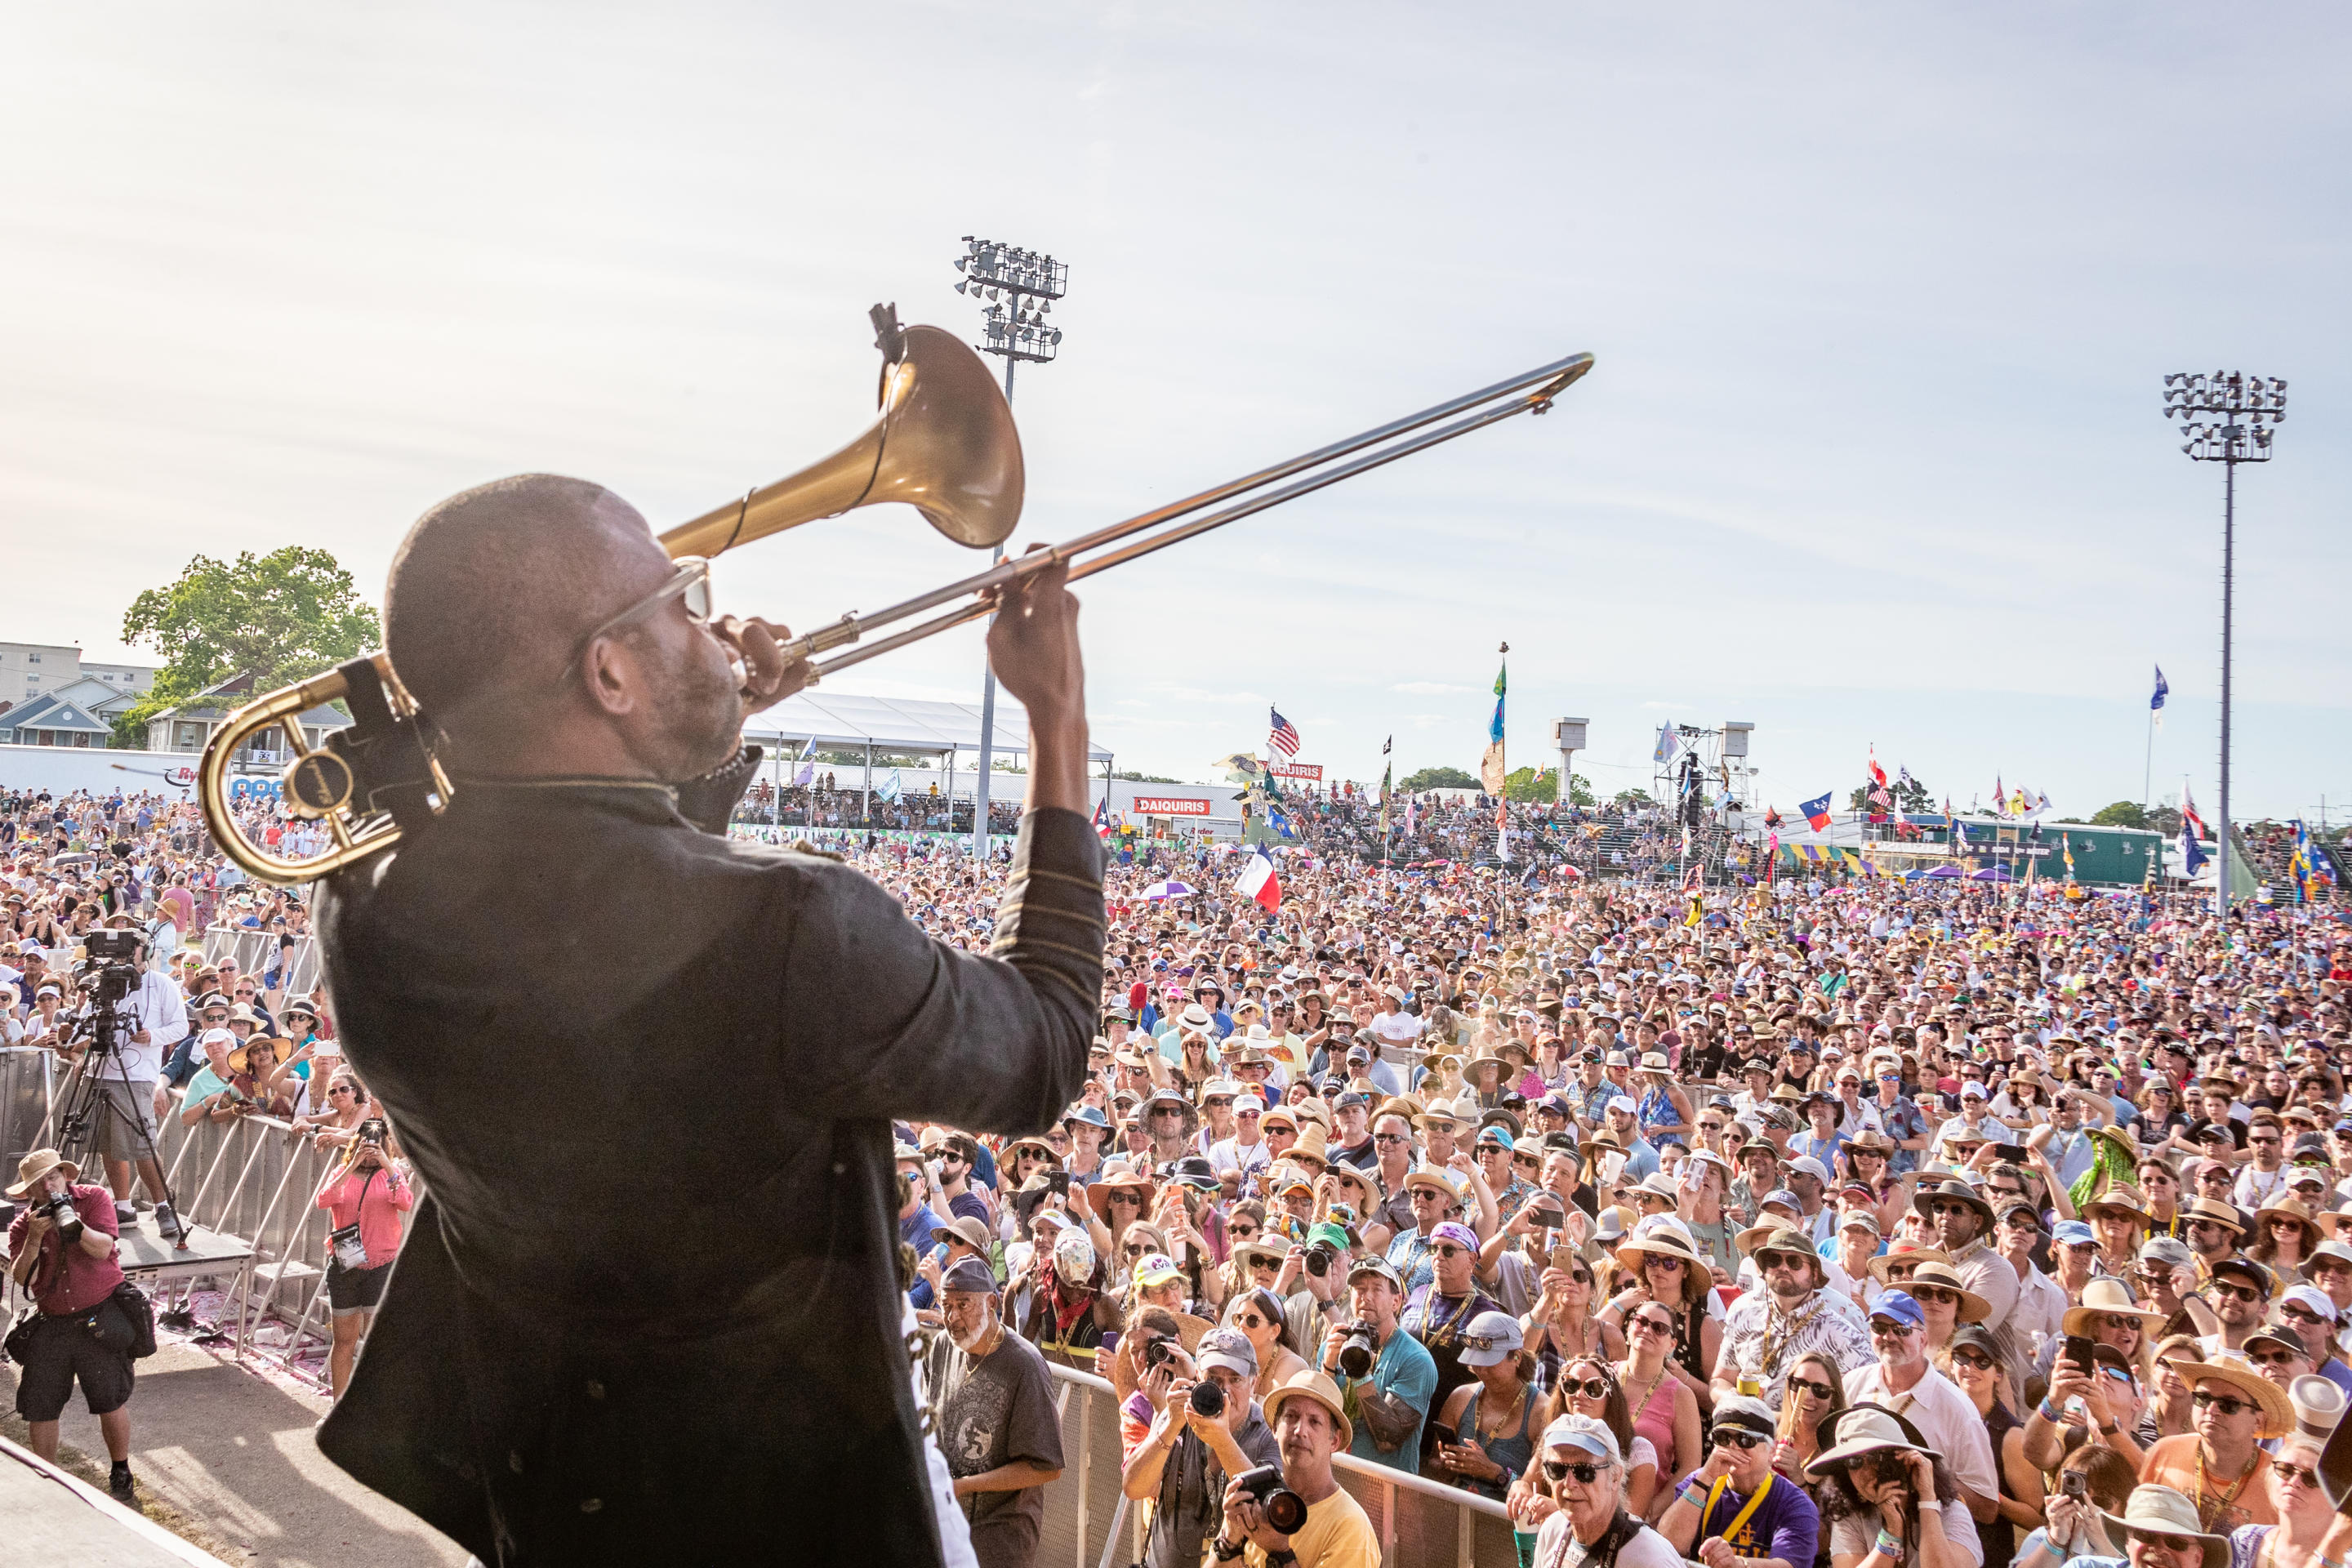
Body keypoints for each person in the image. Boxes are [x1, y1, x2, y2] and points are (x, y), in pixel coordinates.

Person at [309, 474, 1104, 1565]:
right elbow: (1047, 1045)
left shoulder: (364, 912)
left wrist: (686, 736)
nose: (710, 619)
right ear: (609, 672)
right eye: (680, 600)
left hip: (564, 1510)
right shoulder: (792, 925)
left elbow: (590, 934)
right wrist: (1057, 720)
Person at [3, 1149, 140, 1501]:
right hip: (53, 1322)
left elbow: (103, 1248)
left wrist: (73, 1225)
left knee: (109, 1400)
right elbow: (20, 1276)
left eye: (52, 1178)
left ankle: (121, 1469)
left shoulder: (94, 1199)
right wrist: (35, 1237)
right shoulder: (24, 1224)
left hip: (99, 1316)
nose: (48, 1188)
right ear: (30, 1192)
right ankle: (44, 1479)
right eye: (38, 1184)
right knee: (40, 1404)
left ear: (65, 1176)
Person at [935, 1257, 1067, 1568]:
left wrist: (967, 1485)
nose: (952, 1317)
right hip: (947, 1523)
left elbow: (1047, 1467)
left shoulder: (1025, 1365)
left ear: (992, 1303)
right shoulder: (942, 1346)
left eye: (963, 1305)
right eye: (945, 1305)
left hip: (1001, 1534)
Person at [1122, 1325, 1281, 1568]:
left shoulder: (1269, 1432)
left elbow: (1268, 1513)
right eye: (1214, 1379)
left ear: (1254, 1382)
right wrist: (1170, 1426)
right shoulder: (1179, 1412)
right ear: (1197, 1375)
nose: (1224, 1389)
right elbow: (1134, 1487)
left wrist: (1222, 1440)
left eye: (1235, 1379)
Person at [1842, 1292, 2002, 1526]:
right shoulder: (1852, 1384)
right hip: (1861, 1529)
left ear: (1923, 1339)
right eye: (1879, 1327)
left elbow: (1987, 1507)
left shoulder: (1957, 1408)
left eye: (1902, 1329)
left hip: (1927, 1537)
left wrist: (1923, 1480)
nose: (1888, 1336)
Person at [1215, 1370, 1379, 1568]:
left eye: (1315, 1422)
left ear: (1334, 1441)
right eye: (1291, 1416)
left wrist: (1280, 1552)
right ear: (1275, 1429)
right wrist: (1230, 1540)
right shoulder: (1255, 1496)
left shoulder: (1349, 1525)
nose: (1300, 1430)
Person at [1655, 1394, 1824, 1568]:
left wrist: (1738, 1565)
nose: (1733, 1447)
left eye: (1745, 1439)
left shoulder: (1794, 1503)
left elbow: (1788, 1565)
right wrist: (1705, 1478)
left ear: (1771, 1450)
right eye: (1723, 1438)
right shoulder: (1698, 1483)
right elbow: (1667, 1547)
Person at [1803, 1405, 1981, 1568]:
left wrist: (1927, 1498)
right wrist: (1892, 1531)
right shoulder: (1849, 1518)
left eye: (1876, 1457)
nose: (1866, 1470)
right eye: (1854, 1461)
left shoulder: (1951, 1512)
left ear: (1904, 1460)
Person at [1716, 1223, 1874, 1404]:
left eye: (1794, 1262)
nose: (1783, 1268)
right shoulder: (1743, 1317)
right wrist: (1737, 1403)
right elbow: (1721, 1380)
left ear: (1814, 1273)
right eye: (1774, 1260)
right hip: (1745, 1427)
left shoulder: (1844, 1335)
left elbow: (1867, 1401)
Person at [2133, 1352, 2289, 1533]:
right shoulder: (2164, 1451)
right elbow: (2137, 1526)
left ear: (2258, 1421)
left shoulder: (2279, 1479)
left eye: (2229, 1404)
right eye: (2203, 1398)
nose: (2212, 1409)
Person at [314, 1124, 414, 1399]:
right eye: (365, 1144)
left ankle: (370, 1409)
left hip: (381, 1266)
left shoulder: (390, 1176)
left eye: (376, 1144)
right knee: (344, 1341)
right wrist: (352, 1163)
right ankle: (338, 1406)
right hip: (345, 1266)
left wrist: (386, 1161)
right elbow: (323, 1200)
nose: (370, 1150)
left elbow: (405, 1202)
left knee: (375, 1343)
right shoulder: (341, 1172)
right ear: (355, 1143)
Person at [1319, 1256, 1438, 1472]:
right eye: (1360, 1289)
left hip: (1386, 1491)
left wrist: (1361, 1374)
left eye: (1377, 1289)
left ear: (1396, 1301)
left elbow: (1388, 1441)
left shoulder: (1415, 1358)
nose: (1367, 1297)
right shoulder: (1333, 1345)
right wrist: (1327, 1369)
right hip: (1334, 1480)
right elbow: (1316, 1421)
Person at [1938, 1323, 2042, 1567]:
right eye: (1962, 1357)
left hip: (1988, 1555)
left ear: (1998, 1373)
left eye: (1982, 1361)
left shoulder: (2012, 1436)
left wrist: (1985, 1495)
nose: (1970, 1367)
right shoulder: (1938, 1414)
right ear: (1951, 1364)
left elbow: (2036, 1518)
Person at [1429, 1310, 1539, 1500]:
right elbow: (1434, 1465)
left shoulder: (1541, 1412)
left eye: (1490, 1364)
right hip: (1459, 1517)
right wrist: (1447, 1465)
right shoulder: (1460, 1398)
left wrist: (1494, 1472)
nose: (1482, 1372)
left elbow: (1542, 1495)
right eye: (1476, 1364)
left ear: (1517, 1358)